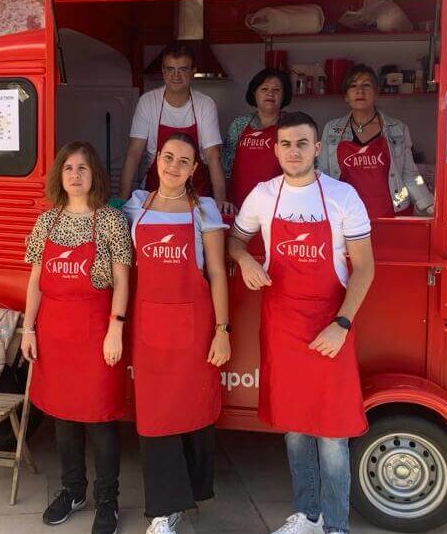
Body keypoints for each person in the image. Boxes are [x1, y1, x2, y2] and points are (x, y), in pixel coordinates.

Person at [228, 112, 375, 534]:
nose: (294, 151)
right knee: (293, 429)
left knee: (332, 434)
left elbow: (364, 268)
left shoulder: (343, 196)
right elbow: (235, 241)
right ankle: (307, 515)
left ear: (316, 148)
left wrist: (342, 323)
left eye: (302, 143)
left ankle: (335, 526)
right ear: (276, 149)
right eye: (286, 144)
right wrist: (246, 259)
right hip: (283, 323)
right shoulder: (263, 195)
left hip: (330, 323)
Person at [21, 141, 133, 534]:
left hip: (97, 331)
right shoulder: (46, 222)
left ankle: (108, 499)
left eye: (83, 167)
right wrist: (28, 328)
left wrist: (115, 327)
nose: (75, 174)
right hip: (54, 332)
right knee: (63, 418)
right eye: (68, 167)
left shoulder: (110, 221)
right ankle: (73, 490)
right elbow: (35, 280)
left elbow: (122, 279)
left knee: (101, 419)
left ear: (94, 175)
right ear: (60, 175)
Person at [123, 132, 232, 534]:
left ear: (194, 169)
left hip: (195, 330)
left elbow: (217, 272)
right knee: (154, 419)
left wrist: (222, 330)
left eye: (184, 161)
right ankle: (162, 512)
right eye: (168, 158)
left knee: (191, 411)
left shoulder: (203, 210)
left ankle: (188, 496)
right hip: (150, 329)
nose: (173, 166)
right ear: (156, 160)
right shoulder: (136, 206)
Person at [119, 41, 231, 212]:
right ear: (163, 71)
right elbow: (134, 153)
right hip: (154, 194)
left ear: (193, 72)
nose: (176, 75)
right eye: (170, 69)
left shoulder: (205, 105)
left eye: (183, 69)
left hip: (197, 196)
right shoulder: (148, 102)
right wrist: (122, 199)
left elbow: (213, 156)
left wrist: (220, 202)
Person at [321, 65, 434, 219]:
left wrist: (428, 205)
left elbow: (411, 175)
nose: (359, 91)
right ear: (346, 96)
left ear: (376, 93)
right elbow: (323, 175)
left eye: (366, 85)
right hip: (346, 217)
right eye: (353, 86)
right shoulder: (332, 129)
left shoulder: (398, 129)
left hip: (390, 214)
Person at [223, 68, 292, 209]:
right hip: (238, 205)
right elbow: (225, 167)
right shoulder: (239, 124)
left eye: (276, 90)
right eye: (264, 88)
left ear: (284, 95)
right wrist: (223, 198)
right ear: (254, 93)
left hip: (280, 207)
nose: (270, 93)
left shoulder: (291, 125)